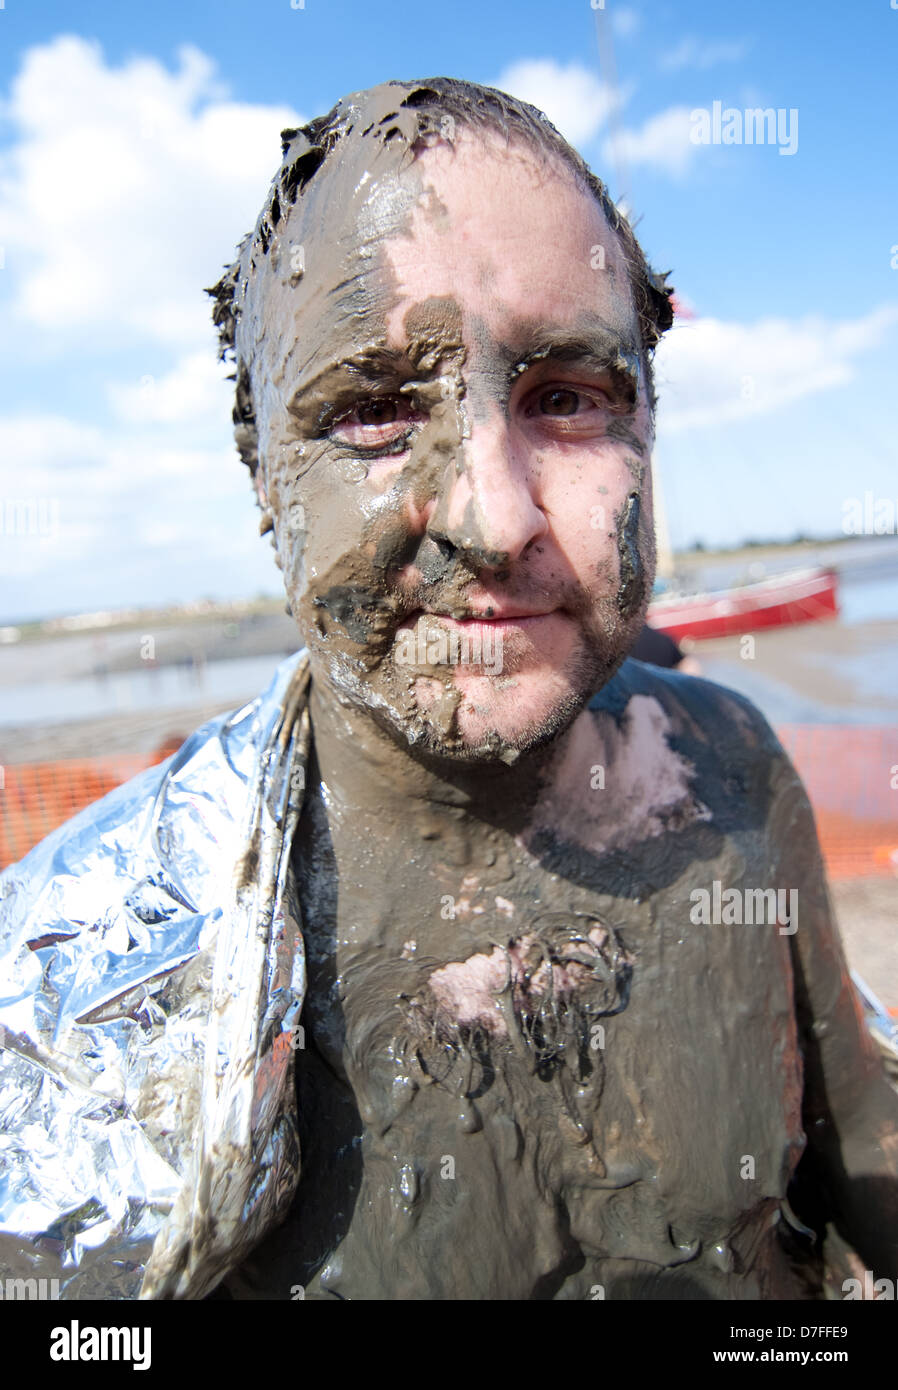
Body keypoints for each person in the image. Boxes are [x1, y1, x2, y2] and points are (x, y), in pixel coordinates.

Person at [1, 77, 895, 1302]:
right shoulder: (96, 959)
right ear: (261, 470)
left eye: (567, 399)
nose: (490, 514)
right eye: (370, 412)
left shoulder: (729, 769)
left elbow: (866, 1149)